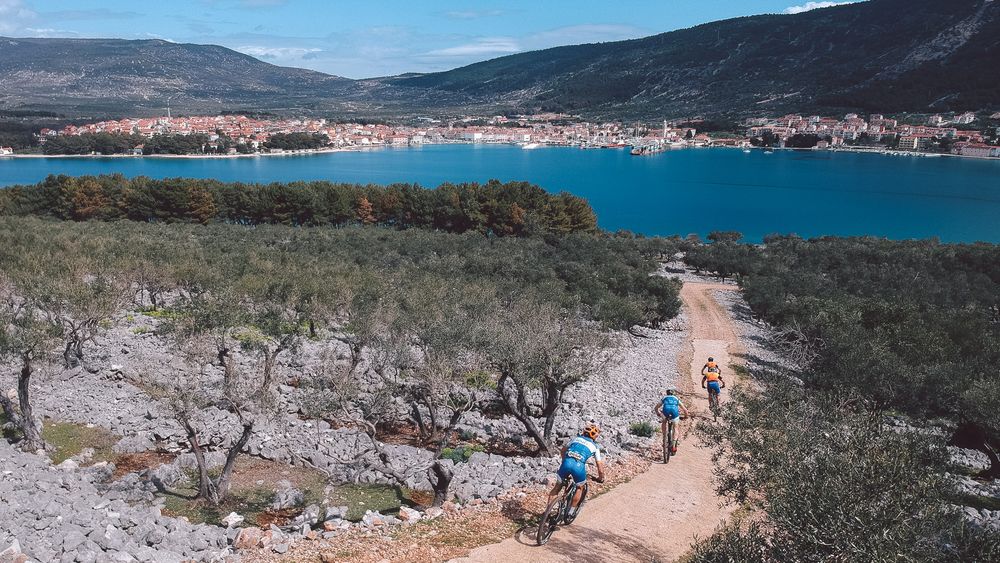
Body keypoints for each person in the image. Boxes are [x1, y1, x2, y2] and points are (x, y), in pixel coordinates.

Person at [549, 424, 605, 510]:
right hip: (578, 467)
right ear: (595, 436)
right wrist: (601, 477)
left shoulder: (575, 439)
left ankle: (547, 511)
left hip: (566, 463)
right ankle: (571, 511)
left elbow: (563, 450)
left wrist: (564, 461)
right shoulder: (595, 447)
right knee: (580, 488)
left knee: (557, 487)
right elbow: (599, 466)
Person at [652, 388, 689, 454]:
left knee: (664, 421)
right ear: (673, 394)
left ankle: (664, 437)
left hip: (666, 411)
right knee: (675, 428)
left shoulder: (664, 398)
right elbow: (685, 410)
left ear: (667, 393)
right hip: (674, 412)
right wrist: (686, 416)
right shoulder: (676, 399)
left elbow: (656, 407)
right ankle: (674, 445)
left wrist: (658, 413)